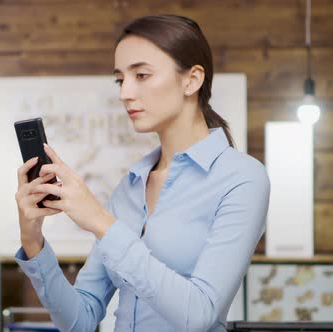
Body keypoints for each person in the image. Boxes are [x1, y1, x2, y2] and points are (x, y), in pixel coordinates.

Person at [14, 15, 270, 332]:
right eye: (121, 80)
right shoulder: (130, 188)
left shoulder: (242, 178)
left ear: (192, 80)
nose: (125, 93)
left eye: (142, 75)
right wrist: (33, 239)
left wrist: (100, 221)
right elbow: (80, 320)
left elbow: (199, 315)